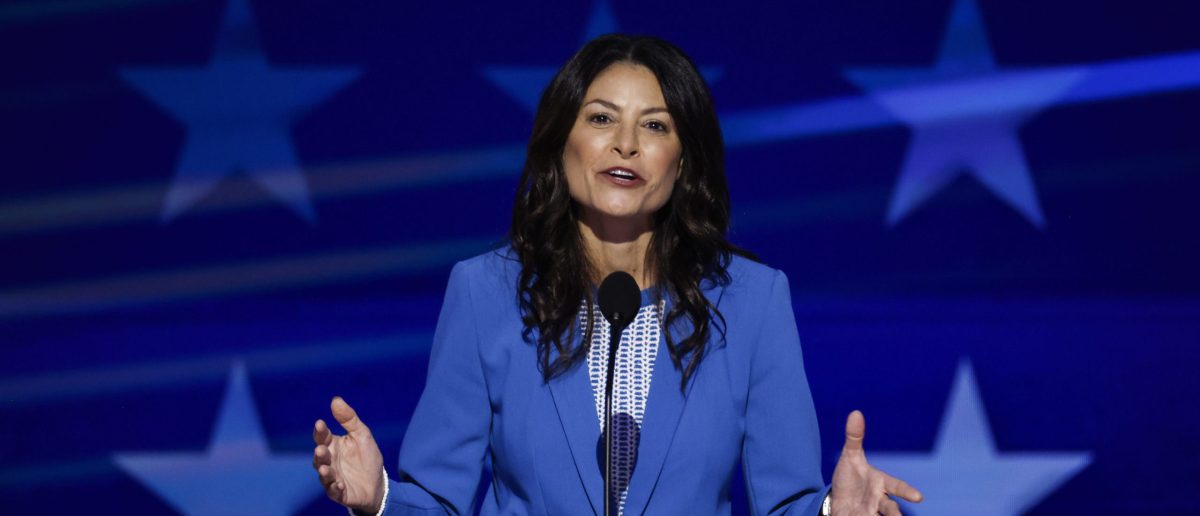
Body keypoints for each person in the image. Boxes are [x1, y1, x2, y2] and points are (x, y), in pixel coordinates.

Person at [312, 34, 922, 515]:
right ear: (561, 142)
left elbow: (785, 502)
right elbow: (438, 501)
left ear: (683, 161)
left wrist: (833, 512)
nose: (626, 143)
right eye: (601, 118)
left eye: (655, 125)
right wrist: (380, 499)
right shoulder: (485, 293)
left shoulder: (753, 302)